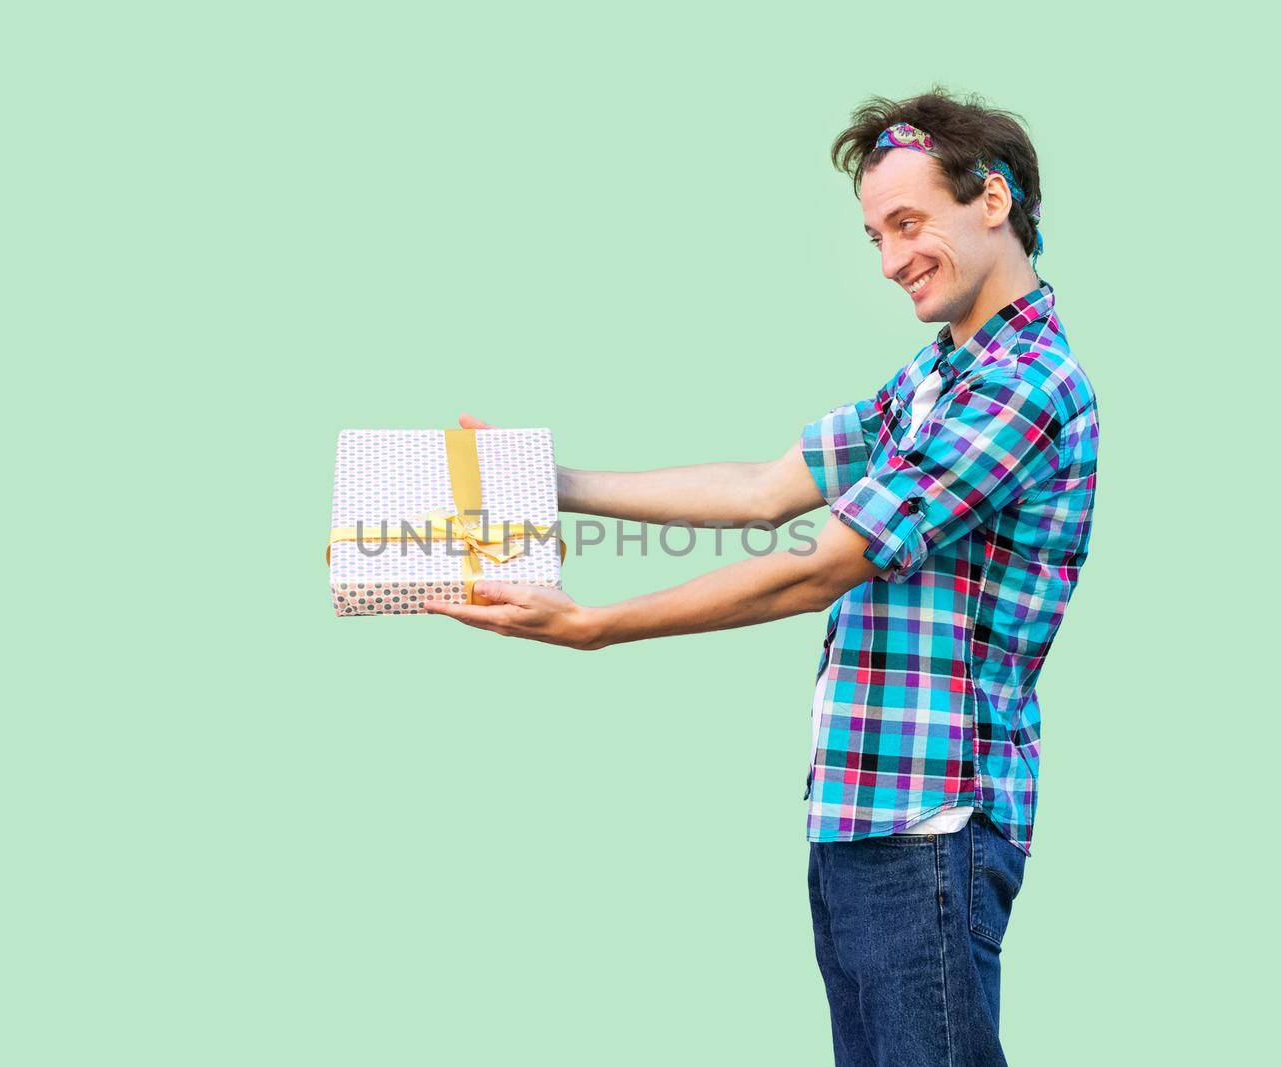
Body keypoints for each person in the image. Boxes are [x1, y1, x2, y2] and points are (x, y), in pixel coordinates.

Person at [426, 88, 1098, 1067]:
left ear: (990, 200)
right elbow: (762, 488)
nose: (889, 260)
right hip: (864, 809)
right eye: (874, 233)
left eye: (907, 224)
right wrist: (542, 482)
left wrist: (595, 624)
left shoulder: (1023, 383)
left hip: (933, 817)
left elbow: (818, 568)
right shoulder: (936, 375)